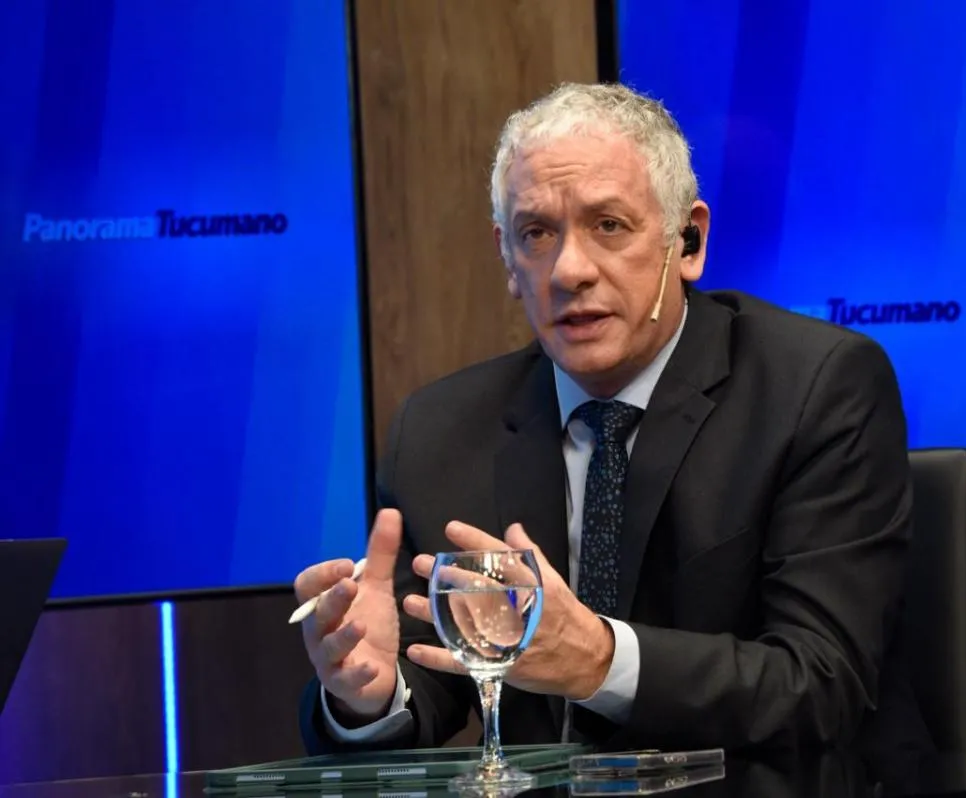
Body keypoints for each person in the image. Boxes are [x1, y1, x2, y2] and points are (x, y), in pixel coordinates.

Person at [295, 82, 924, 754]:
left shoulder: (813, 388)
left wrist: (599, 660)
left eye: (609, 226)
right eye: (536, 234)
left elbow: (823, 682)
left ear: (687, 242)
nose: (570, 270)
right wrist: (369, 694)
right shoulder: (441, 431)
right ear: (508, 258)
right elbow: (436, 673)